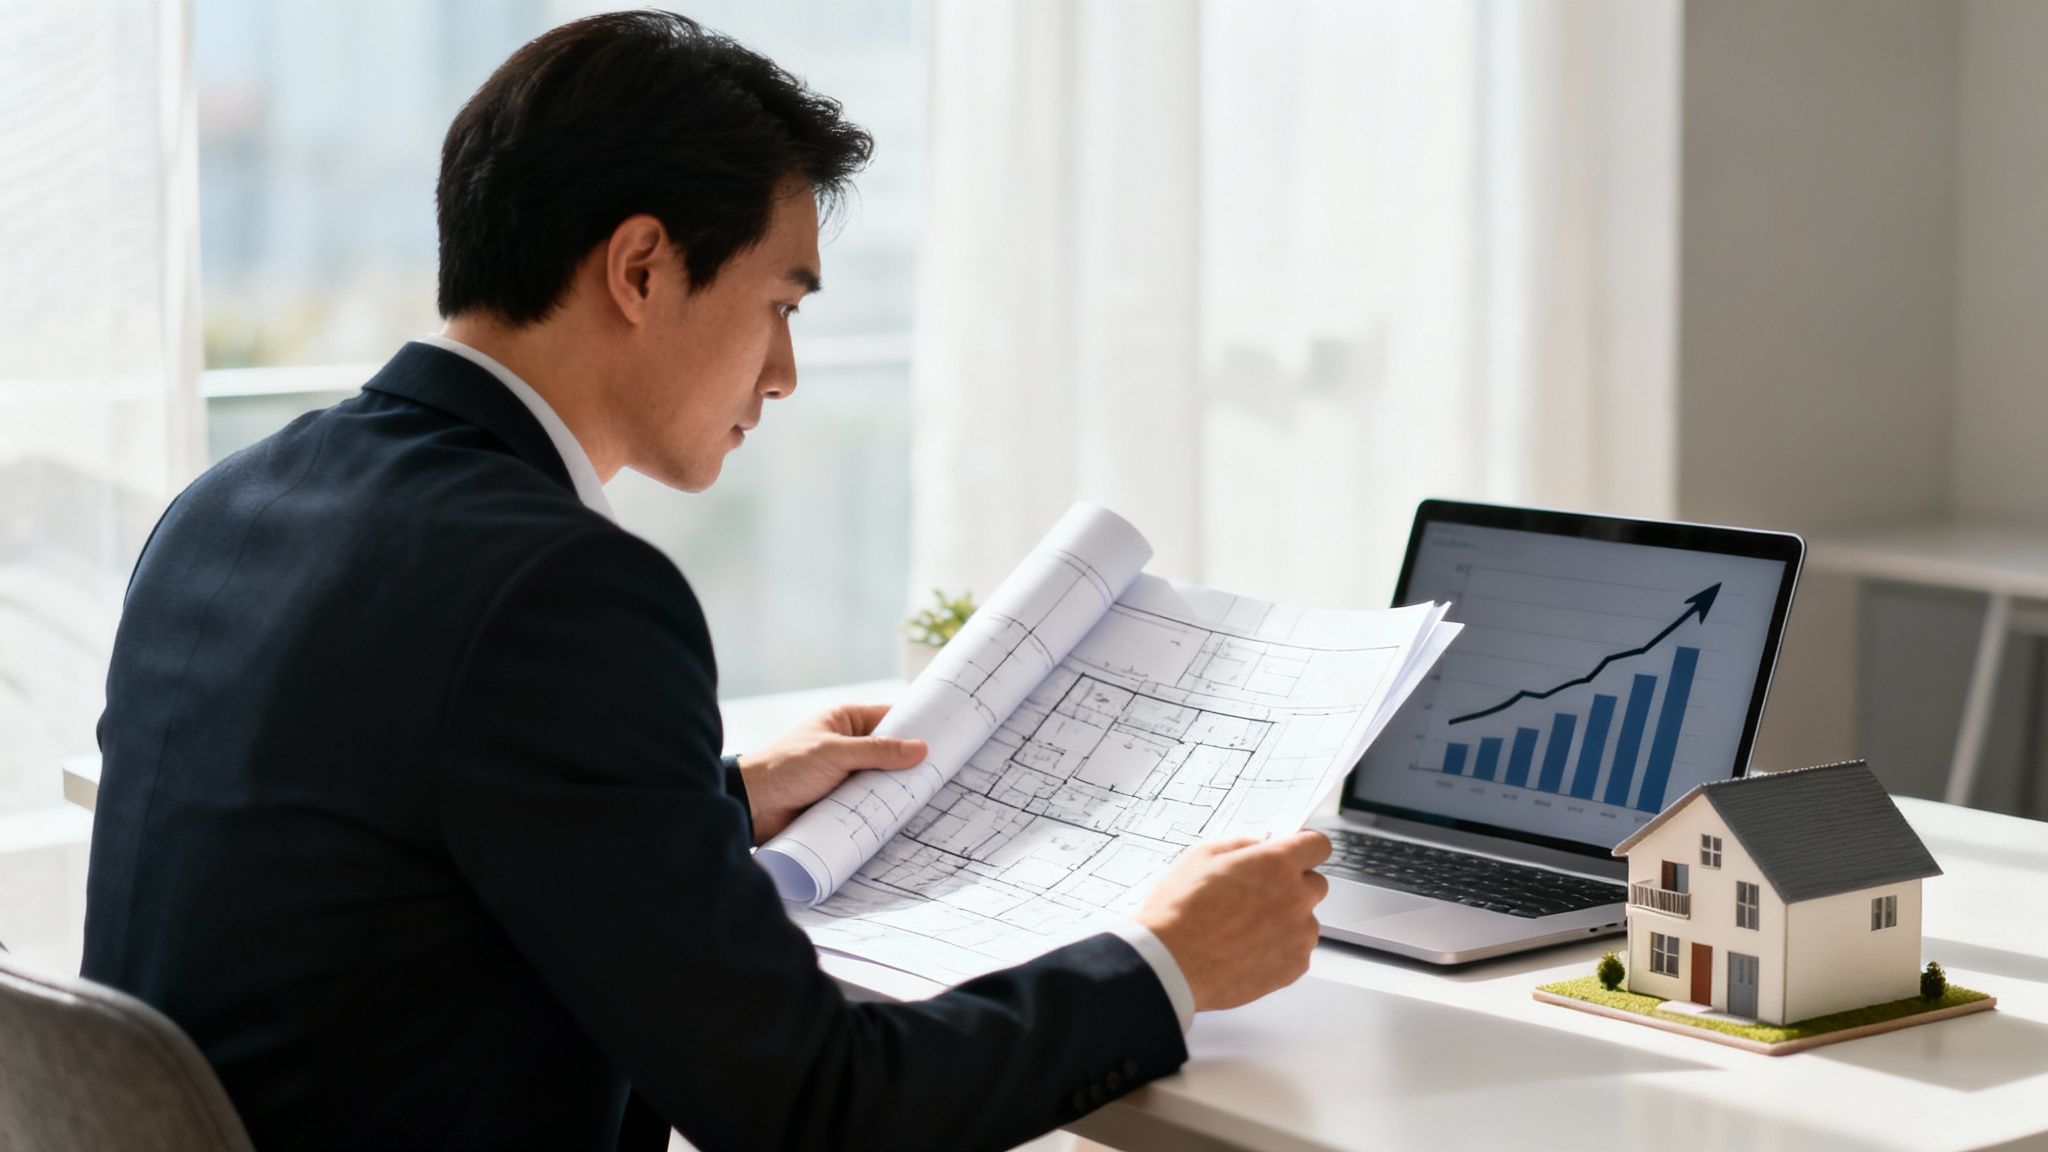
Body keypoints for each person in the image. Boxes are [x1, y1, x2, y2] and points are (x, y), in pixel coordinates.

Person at [82, 11, 1330, 1151]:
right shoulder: (559, 591)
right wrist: (1162, 963)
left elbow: (403, 842)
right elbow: (811, 1104)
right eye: (780, 303)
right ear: (640, 268)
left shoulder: (226, 505)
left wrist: (720, 801)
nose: (783, 374)